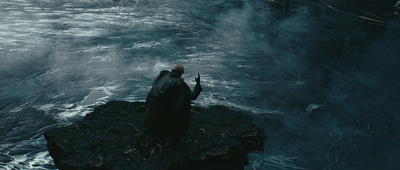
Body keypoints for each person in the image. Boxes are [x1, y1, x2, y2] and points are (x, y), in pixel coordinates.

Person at [135, 64, 202, 148]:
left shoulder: (163, 75)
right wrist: (198, 84)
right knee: (179, 114)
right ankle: (177, 140)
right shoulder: (179, 82)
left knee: (149, 126)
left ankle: (139, 140)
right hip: (162, 110)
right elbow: (192, 96)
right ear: (182, 72)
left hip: (151, 106)